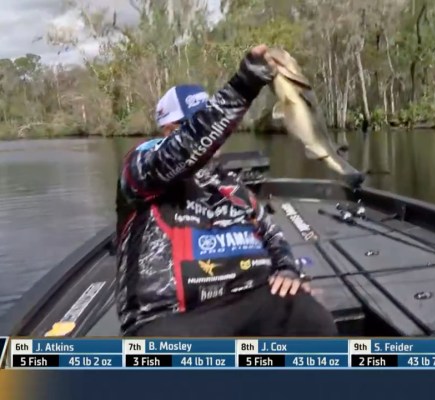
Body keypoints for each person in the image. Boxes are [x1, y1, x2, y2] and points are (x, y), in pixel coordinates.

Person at [115, 44, 337, 337]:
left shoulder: (231, 184)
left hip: (248, 299)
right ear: (169, 130)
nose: (219, 131)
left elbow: (271, 234)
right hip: (171, 316)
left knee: (311, 318)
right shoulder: (141, 166)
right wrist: (244, 86)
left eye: (217, 120)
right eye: (199, 122)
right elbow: (177, 154)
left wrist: (287, 269)